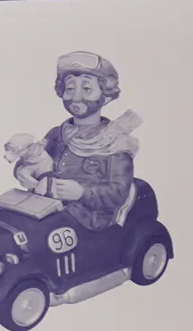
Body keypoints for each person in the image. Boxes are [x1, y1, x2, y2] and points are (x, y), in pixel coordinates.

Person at [16, 51, 141, 231]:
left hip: (87, 217)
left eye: (87, 89)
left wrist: (81, 193)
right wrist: (23, 170)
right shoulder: (57, 134)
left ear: (105, 96)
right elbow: (35, 159)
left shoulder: (115, 143)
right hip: (47, 204)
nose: (76, 97)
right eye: (70, 89)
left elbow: (118, 192)